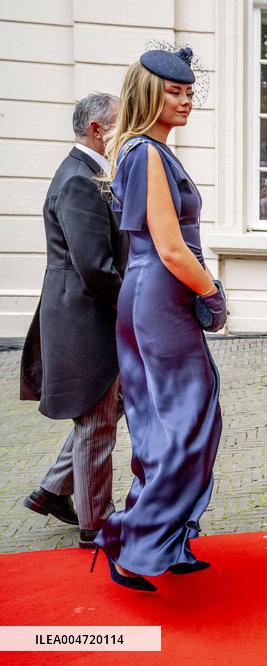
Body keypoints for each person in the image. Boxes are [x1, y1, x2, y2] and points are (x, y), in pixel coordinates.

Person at [93, 47, 226, 592]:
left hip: (147, 296)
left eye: (190, 91)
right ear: (150, 93)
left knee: (158, 423)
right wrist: (213, 291)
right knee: (192, 420)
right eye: (175, 91)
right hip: (160, 296)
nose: (187, 99)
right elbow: (171, 248)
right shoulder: (147, 153)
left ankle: (161, 541)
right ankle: (132, 539)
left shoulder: (144, 152)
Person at [20, 93, 125, 550]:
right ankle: (95, 525)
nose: (128, 130)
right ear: (98, 129)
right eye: (122, 123)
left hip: (83, 314)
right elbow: (95, 268)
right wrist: (136, 305)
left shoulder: (84, 173)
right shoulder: (80, 180)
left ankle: (51, 490)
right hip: (87, 319)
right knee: (98, 419)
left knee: (105, 410)